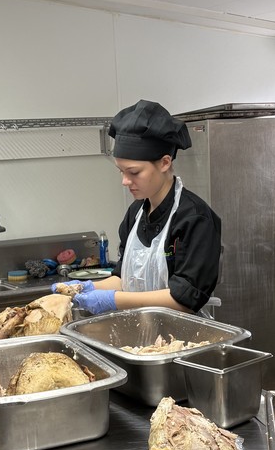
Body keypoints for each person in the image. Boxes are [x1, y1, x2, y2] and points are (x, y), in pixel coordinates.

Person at [55, 99, 222, 316]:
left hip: (182, 338)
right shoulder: (136, 213)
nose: (125, 181)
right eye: (121, 171)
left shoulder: (195, 218)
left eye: (133, 172)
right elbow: (123, 277)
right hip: (138, 332)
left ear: (164, 162)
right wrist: (83, 289)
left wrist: (114, 299)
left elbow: (184, 299)